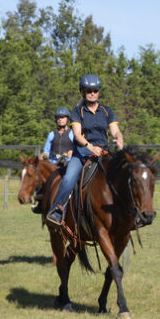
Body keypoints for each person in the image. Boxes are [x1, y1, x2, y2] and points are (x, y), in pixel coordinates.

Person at [45, 74, 125, 226]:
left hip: (103, 153)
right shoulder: (77, 111)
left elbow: (115, 131)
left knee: (126, 172)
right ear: (82, 92)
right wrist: (90, 146)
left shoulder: (107, 111)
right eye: (89, 90)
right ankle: (57, 210)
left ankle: (130, 211)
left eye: (95, 90)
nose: (92, 93)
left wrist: (119, 139)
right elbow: (76, 134)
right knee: (69, 178)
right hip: (82, 153)